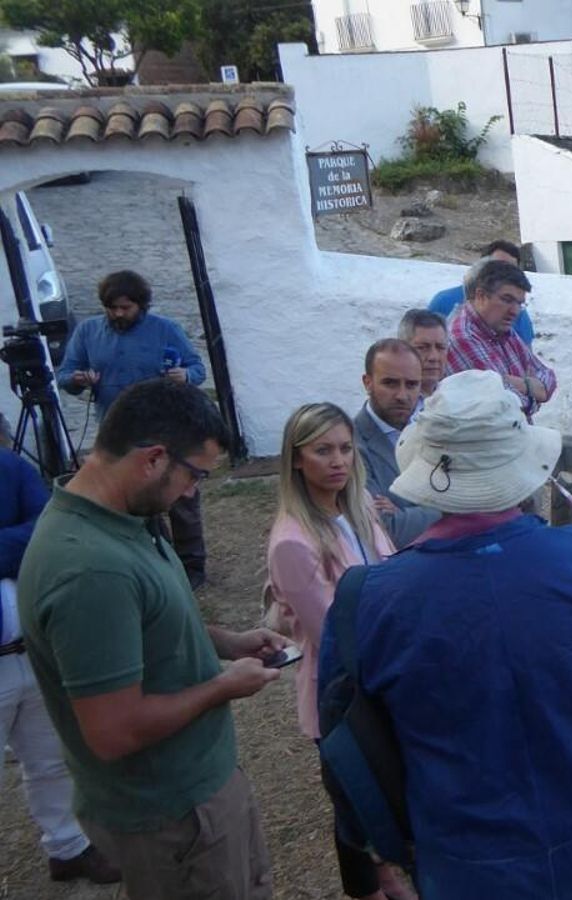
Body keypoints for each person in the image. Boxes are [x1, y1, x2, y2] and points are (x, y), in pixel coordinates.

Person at [320, 371, 572, 898]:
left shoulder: (367, 600)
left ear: (425, 464)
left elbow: (344, 737)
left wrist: (375, 857)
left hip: (470, 866)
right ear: (520, 462)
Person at [17, 379, 286, 900]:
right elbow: (113, 731)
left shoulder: (123, 518)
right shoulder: (90, 570)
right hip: (171, 818)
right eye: (195, 475)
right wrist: (224, 686)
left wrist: (225, 642)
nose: (193, 492)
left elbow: (145, 627)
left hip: (197, 793)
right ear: (154, 458)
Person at [265, 403, 411, 900]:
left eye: (345, 448)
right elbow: (332, 633)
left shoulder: (358, 507)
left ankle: (389, 874)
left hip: (380, 674)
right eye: (322, 450)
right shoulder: (293, 540)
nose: (338, 461)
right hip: (342, 692)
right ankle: (368, 889)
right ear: (296, 459)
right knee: (353, 799)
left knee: (382, 790)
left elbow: (389, 569)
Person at [0, 445, 121, 885]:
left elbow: (41, 530)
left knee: (51, 755)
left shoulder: (9, 467)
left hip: (27, 649)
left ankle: (68, 846)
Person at [56, 270, 210, 589]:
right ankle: (158, 558)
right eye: (112, 308)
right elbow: (65, 374)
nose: (118, 314)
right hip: (118, 433)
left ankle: (193, 564)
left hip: (167, 430)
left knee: (180, 496)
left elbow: (198, 368)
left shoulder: (165, 330)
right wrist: (78, 379)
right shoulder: (88, 332)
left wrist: (186, 376)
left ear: (141, 305)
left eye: (125, 307)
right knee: (137, 497)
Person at [445, 258, 557, 418]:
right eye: (507, 300)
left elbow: (547, 376)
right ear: (481, 296)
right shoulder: (463, 338)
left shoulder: (501, 329)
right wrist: (532, 387)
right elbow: (511, 407)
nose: (515, 311)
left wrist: (520, 383)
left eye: (520, 303)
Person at [354, 339, 440, 546]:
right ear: (368, 383)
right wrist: (453, 507)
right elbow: (387, 530)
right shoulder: (350, 444)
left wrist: (405, 514)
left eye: (411, 384)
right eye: (390, 383)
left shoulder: (434, 429)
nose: (402, 396)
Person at [429, 240, 535, 344]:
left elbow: (526, 354)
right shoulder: (443, 301)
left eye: (511, 269)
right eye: (497, 266)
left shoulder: (518, 312)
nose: (505, 273)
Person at [398, 308, 449, 398]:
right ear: (402, 350)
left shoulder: (454, 397)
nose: (433, 357)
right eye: (422, 348)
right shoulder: (394, 405)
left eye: (440, 347)